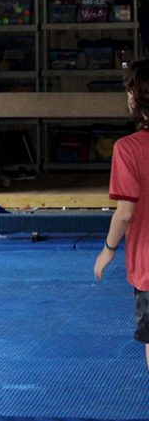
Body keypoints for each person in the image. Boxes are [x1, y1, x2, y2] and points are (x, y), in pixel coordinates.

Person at [94, 59, 149, 369]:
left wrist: (108, 249)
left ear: (137, 98)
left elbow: (125, 212)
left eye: (129, 91)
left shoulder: (128, 149)